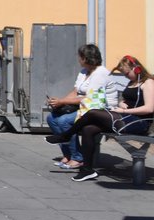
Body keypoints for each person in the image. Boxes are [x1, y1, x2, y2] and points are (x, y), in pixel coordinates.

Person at [47, 52, 152, 182]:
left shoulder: (148, 83)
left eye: (127, 73)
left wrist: (125, 111)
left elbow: (149, 108)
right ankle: (87, 170)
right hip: (125, 118)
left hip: (138, 122)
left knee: (93, 113)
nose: (126, 76)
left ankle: (66, 135)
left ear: (137, 69)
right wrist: (122, 104)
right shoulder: (132, 82)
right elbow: (127, 100)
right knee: (88, 129)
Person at [44, 43, 110, 170]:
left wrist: (62, 102)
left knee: (64, 121)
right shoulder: (84, 72)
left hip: (97, 109)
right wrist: (59, 101)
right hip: (82, 107)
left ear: (85, 58)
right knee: (51, 118)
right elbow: (75, 92)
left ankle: (78, 157)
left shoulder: (100, 73)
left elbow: (89, 99)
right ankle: (68, 154)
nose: (78, 59)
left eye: (80, 57)